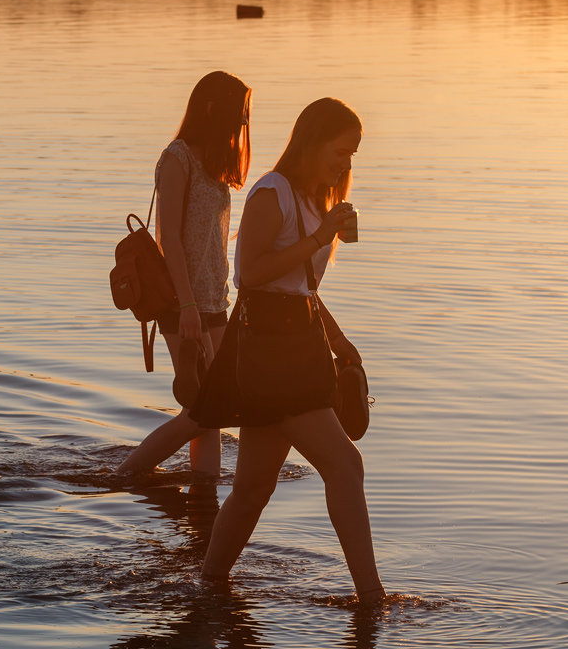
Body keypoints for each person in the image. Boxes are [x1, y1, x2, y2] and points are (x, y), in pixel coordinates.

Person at [190, 97, 384, 601]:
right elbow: (251, 276)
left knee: (253, 488)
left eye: (353, 154)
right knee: (345, 464)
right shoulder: (270, 194)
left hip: (297, 342)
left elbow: (301, 287)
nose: (347, 163)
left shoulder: (311, 199)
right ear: (311, 142)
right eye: (341, 151)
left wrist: (340, 341)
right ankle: (371, 597)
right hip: (269, 350)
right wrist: (319, 235)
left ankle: (209, 582)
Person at [117, 71, 252, 478]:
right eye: (239, 113)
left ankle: (204, 497)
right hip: (183, 301)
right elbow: (169, 239)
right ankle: (125, 475)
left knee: (211, 409)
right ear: (211, 108)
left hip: (214, 299)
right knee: (202, 411)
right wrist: (189, 305)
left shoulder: (214, 163)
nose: (244, 123)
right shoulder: (178, 158)